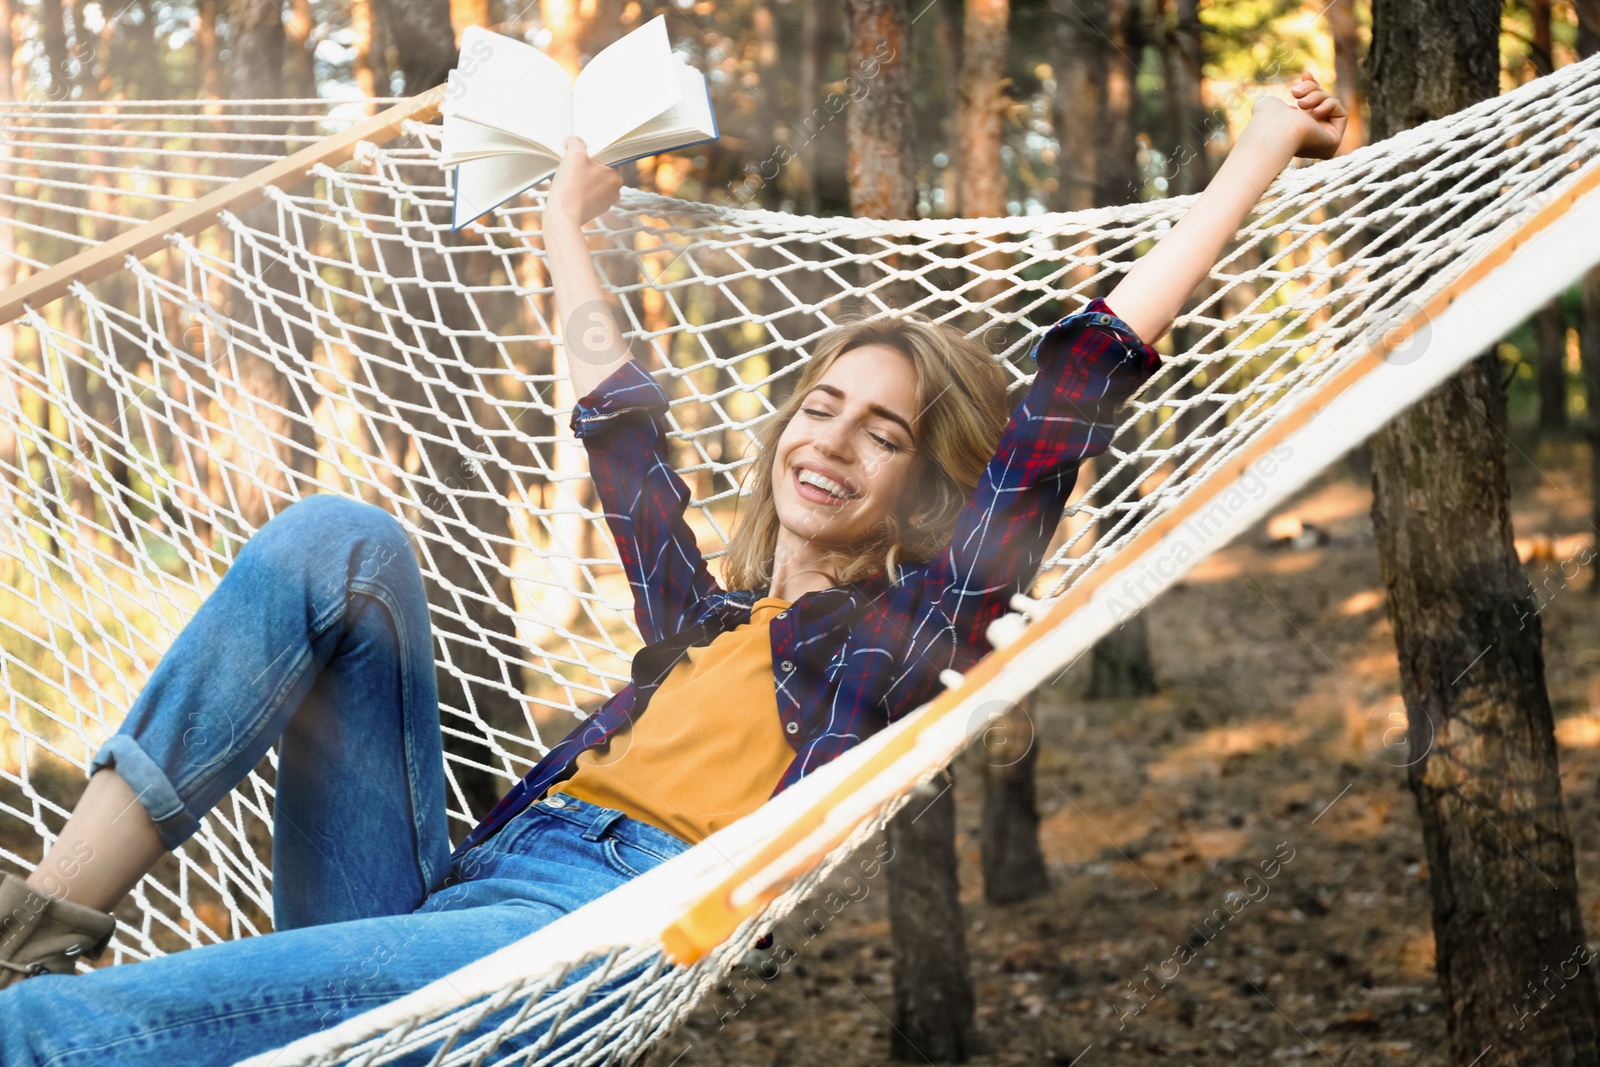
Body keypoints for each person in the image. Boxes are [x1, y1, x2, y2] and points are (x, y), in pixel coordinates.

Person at [0, 73, 1345, 1063]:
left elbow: (1068, 397)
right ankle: (50, 911)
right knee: (340, 543)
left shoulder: (903, 643)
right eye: (821, 407)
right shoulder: (700, 625)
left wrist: (1262, 154)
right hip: (460, 892)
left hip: (582, 945)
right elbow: (622, 428)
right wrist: (568, 231)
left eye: (884, 435)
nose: (834, 442)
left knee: (55, 1040)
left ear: (925, 494)